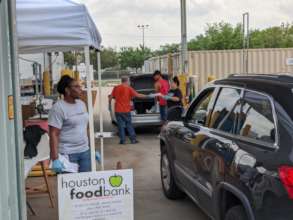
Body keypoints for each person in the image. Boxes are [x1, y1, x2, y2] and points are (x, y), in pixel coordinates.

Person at [48, 75, 91, 173]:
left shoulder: (82, 104)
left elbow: (86, 128)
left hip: (85, 152)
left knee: (86, 186)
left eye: (79, 86)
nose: (80, 89)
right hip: (68, 155)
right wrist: (55, 159)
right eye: (76, 86)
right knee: (71, 187)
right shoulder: (58, 108)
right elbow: (53, 134)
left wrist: (92, 149)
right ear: (67, 90)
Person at [109, 76, 150, 145]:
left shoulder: (116, 88)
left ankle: (122, 141)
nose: (130, 82)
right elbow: (138, 95)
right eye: (129, 81)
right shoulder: (128, 88)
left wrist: (109, 105)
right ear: (126, 81)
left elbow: (111, 97)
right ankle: (133, 140)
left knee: (121, 126)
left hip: (118, 110)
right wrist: (147, 96)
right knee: (129, 125)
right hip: (126, 110)